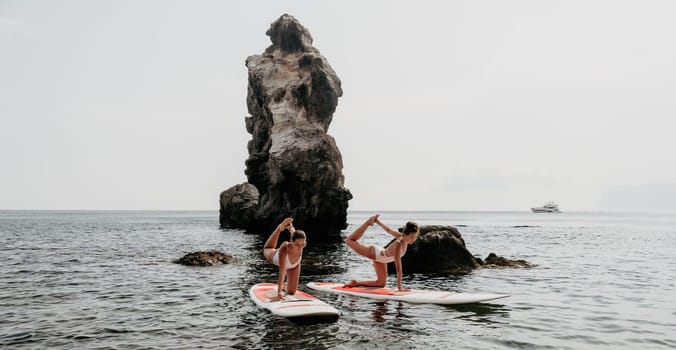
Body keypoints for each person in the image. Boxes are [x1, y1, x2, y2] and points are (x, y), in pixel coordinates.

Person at [344, 214, 419, 291]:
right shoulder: (398, 246)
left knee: (381, 283)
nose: (413, 240)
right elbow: (399, 270)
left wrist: (378, 221)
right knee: (349, 241)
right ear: (404, 235)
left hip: (381, 258)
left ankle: (356, 283)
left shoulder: (403, 237)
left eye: (415, 237)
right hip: (374, 253)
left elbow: (388, 230)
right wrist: (400, 289)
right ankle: (367, 223)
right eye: (411, 237)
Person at [263, 217, 307, 299]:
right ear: (292, 241)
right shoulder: (285, 247)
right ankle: (279, 228)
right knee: (268, 248)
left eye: (303, 244)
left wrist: (290, 227)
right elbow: (282, 271)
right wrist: (279, 293)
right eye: (297, 245)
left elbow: (294, 233)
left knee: (291, 292)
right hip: (272, 255)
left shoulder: (300, 242)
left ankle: (285, 286)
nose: (300, 247)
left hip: (295, 264)